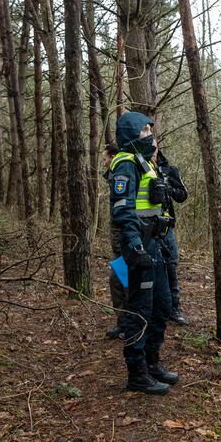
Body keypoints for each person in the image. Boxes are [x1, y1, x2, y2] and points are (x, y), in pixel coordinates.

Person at [109, 111, 177, 395]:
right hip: (139, 246)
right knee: (140, 310)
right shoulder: (125, 164)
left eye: (151, 130)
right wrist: (135, 245)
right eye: (145, 131)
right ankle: (137, 372)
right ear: (132, 135)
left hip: (156, 244)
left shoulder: (145, 162)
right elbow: (123, 210)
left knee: (162, 306)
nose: (151, 136)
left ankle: (152, 361)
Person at [157, 150, 189, 325]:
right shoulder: (137, 167)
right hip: (144, 227)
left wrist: (167, 188)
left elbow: (183, 195)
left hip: (166, 227)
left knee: (170, 265)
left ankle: (174, 308)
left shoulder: (169, 170)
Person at [103, 145, 127, 340]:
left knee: (120, 282)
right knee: (118, 282)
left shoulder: (122, 177)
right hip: (119, 244)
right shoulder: (113, 179)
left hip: (125, 244)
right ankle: (124, 323)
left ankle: (128, 324)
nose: (104, 162)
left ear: (113, 157)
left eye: (105, 159)